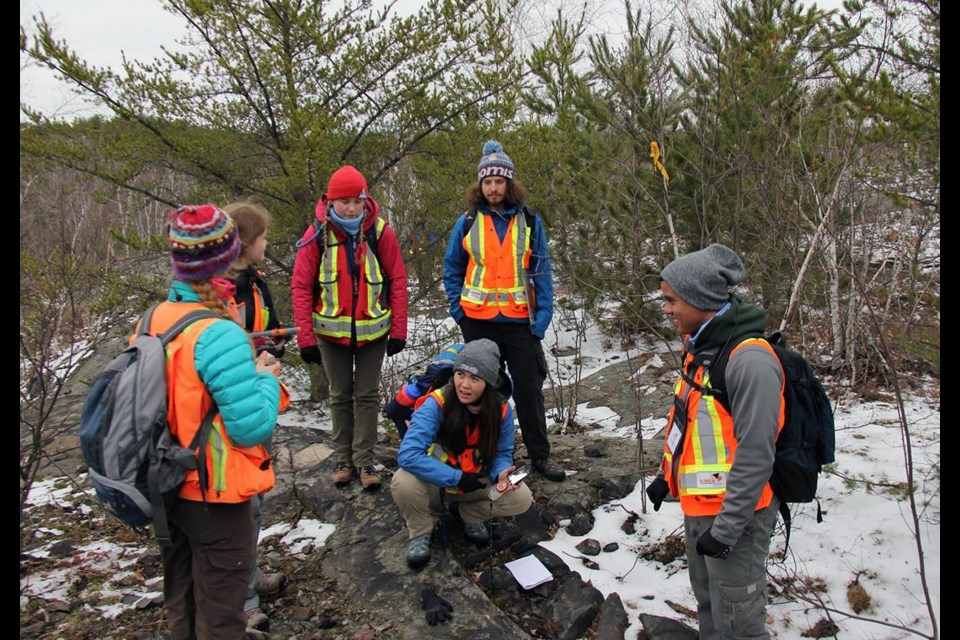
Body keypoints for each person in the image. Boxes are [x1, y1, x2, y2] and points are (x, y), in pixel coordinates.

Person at [647, 244, 785, 640]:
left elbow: (757, 455)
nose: (667, 309)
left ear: (700, 299)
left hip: (737, 517)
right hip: (702, 509)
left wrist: (727, 528)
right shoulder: (703, 350)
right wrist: (665, 477)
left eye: (671, 300)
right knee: (711, 606)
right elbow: (687, 423)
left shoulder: (748, 360)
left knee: (737, 622)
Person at [158, 204, 281, 639]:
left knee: (185, 599)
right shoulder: (218, 330)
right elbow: (251, 428)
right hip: (213, 489)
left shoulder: (157, 318)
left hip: (167, 485)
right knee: (223, 614)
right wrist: (266, 381)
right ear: (227, 256)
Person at [442, 140, 563, 482]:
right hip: (477, 322)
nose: (493, 187)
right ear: (480, 185)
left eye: (499, 181)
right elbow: (452, 268)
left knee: (528, 390)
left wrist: (542, 320)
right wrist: (458, 311)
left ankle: (540, 458)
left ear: (510, 184)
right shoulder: (467, 222)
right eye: (487, 182)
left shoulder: (528, 220)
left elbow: (542, 271)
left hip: (519, 322)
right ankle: (480, 458)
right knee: (480, 393)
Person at [291, 165, 408, 491]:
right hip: (330, 333)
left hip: (373, 331)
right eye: (344, 202)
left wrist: (399, 329)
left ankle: (365, 460)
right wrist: (305, 337)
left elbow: (398, 280)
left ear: (364, 199)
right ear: (331, 201)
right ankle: (343, 459)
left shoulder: (380, 232)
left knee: (367, 395)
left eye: (357, 201)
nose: (351, 208)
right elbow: (301, 286)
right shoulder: (316, 234)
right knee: (340, 395)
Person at [391, 339, 533, 569]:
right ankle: (420, 530)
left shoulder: (502, 409)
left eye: (474, 379)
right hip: (437, 485)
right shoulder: (436, 403)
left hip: (475, 483)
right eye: (460, 375)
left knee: (520, 498)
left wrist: (500, 474)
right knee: (402, 481)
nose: (464, 385)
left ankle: (469, 515)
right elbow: (408, 454)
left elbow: (503, 452)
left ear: (488, 382)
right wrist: (455, 478)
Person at [223, 201, 289, 633]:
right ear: (246, 242)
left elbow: (264, 328)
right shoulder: (222, 294)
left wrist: (274, 343)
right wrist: (257, 365)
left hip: (256, 404)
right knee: (237, 509)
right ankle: (240, 600)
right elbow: (224, 357)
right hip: (234, 416)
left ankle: (249, 577)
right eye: (263, 236)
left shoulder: (257, 281)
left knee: (256, 503)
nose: (268, 242)